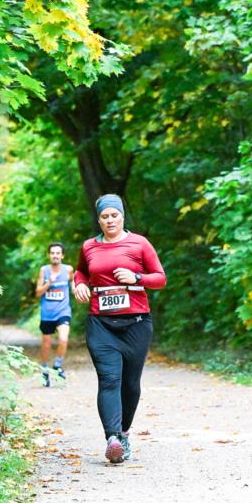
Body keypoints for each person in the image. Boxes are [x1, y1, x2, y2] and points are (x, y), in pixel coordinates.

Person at [74, 194, 166, 463]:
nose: (110, 220)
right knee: (109, 379)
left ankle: (124, 433)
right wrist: (79, 283)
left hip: (136, 324)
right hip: (101, 324)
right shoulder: (89, 247)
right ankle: (112, 438)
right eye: (105, 216)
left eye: (114, 215)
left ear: (122, 216)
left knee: (130, 384)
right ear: (99, 219)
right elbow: (81, 272)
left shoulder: (139, 244)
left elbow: (160, 278)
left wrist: (137, 277)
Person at [36, 242, 76, 387]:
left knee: (63, 338)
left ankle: (57, 366)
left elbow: (73, 281)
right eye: (52, 253)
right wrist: (49, 283)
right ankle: (45, 370)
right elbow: (38, 292)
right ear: (49, 255)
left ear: (62, 255)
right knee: (46, 344)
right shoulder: (44, 270)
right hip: (47, 313)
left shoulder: (68, 269)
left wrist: (75, 288)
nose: (55, 255)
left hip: (63, 311)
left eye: (58, 253)